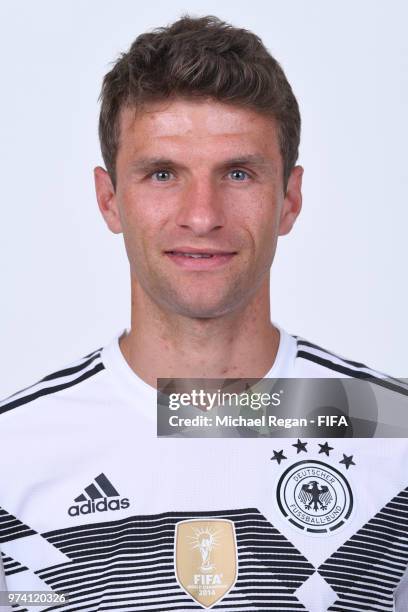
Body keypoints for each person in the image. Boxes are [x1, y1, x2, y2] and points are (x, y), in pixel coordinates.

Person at [0, 15, 407, 612]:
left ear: (289, 200)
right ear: (109, 199)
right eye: (162, 174)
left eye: (238, 173)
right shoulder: (13, 453)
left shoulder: (392, 430)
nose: (201, 215)